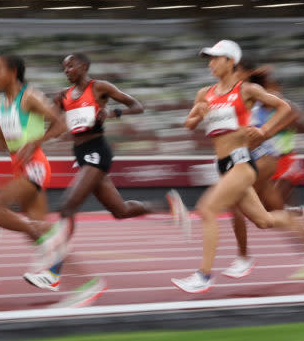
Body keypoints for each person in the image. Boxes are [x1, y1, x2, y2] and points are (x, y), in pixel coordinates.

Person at [22, 52, 189, 293]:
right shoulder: (63, 97)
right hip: (80, 155)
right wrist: (36, 138)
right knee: (120, 211)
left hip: (98, 151)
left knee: (68, 206)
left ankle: (53, 273)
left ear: (84, 66)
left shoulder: (99, 87)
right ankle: (168, 205)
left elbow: (137, 105)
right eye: (63, 67)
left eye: (70, 66)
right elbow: (54, 125)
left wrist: (112, 113)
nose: (66, 70)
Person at [172, 39, 295, 293]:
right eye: (209, 59)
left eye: (217, 58)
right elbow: (189, 124)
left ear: (231, 62)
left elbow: (284, 107)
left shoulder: (246, 90)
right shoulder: (204, 93)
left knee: (207, 208)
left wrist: (264, 131)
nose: (211, 63)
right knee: (263, 221)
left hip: (241, 163)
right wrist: (197, 110)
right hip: (222, 165)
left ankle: (203, 275)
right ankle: (301, 220)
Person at [0, 53, 70, 290]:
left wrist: (36, 141)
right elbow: (2, 142)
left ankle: (56, 232)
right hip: (18, 167)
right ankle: (55, 275)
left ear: (13, 73)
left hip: (35, 166)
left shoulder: (30, 97)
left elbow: (61, 124)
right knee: (36, 230)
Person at [224, 61, 304, 279]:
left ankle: (244, 258)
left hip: (279, 160)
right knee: (267, 214)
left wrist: (266, 132)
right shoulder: (240, 95)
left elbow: (293, 112)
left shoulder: (261, 93)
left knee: (242, 204)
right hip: (260, 159)